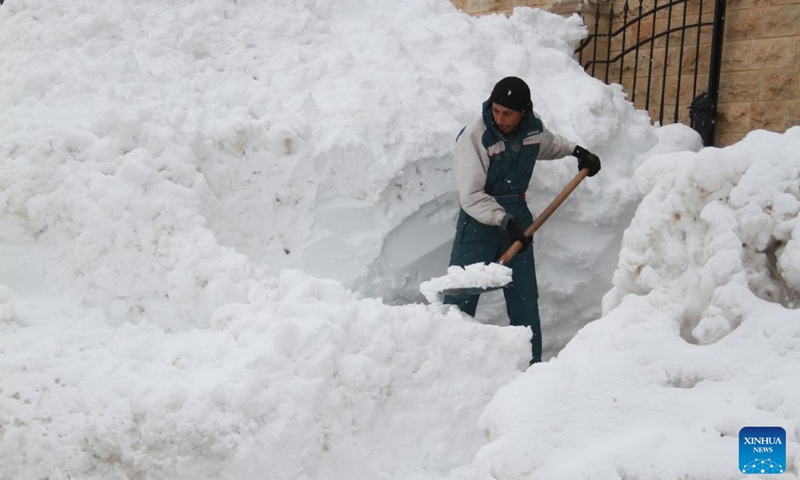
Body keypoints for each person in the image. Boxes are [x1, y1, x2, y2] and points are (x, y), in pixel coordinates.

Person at [444, 76, 601, 364]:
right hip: (478, 224)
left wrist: (578, 153)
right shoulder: (476, 137)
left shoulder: (532, 129)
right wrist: (504, 221)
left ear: (523, 113)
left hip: (517, 220)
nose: (500, 118)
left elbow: (550, 144)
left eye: (508, 113)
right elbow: (471, 196)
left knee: (524, 301)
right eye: (496, 110)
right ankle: (451, 366)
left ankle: (531, 371)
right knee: (460, 299)